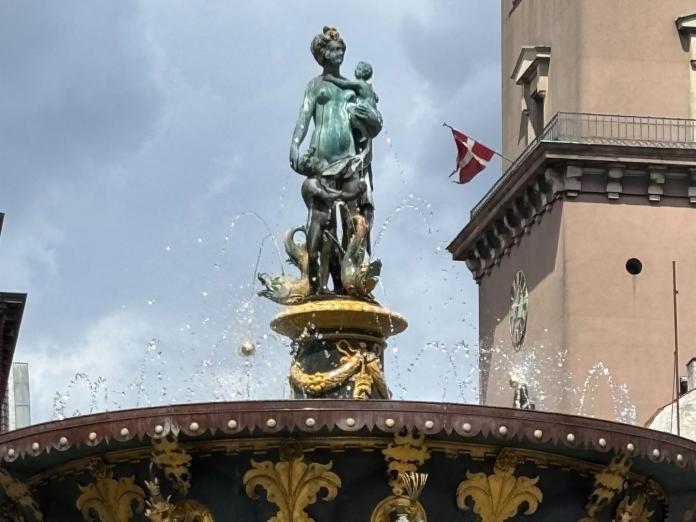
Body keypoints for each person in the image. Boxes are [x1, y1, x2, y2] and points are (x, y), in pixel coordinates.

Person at [289, 27, 383, 277]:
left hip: (349, 159)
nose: (339, 53)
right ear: (322, 54)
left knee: (354, 220)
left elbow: (372, 121)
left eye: (341, 49)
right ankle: (321, 279)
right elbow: (304, 118)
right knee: (324, 223)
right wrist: (295, 144)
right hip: (322, 161)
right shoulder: (315, 85)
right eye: (334, 49)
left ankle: (351, 276)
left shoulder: (352, 88)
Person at [298, 149, 367, 294]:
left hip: (328, 224)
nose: (321, 164)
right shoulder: (309, 184)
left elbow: (339, 195)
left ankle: (323, 286)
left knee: (326, 255)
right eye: (317, 163)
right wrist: (349, 194)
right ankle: (314, 286)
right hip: (315, 223)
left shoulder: (321, 184)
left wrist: (357, 193)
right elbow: (328, 196)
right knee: (313, 255)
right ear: (311, 168)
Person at [323, 61, 379, 147]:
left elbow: (345, 84)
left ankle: (363, 131)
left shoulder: (359, 83)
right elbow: (376, 97)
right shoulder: (369, 87)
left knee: (349, 108)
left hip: (365, 109)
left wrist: (331, 79)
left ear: (363, 73)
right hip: (374, 113)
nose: (356, 70)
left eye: (358, 69)